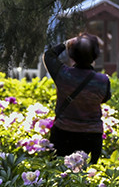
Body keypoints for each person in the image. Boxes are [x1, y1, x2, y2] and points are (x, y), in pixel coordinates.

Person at [44, 33, 111, 163]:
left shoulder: (63, 74)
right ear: (95, 55)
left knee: (59, 172)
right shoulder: (103, 81)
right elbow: (104, 98)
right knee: (88, 174)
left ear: (71, 54)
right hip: (92, 138)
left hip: (63, 135)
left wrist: (67, 43)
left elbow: (49, 55)